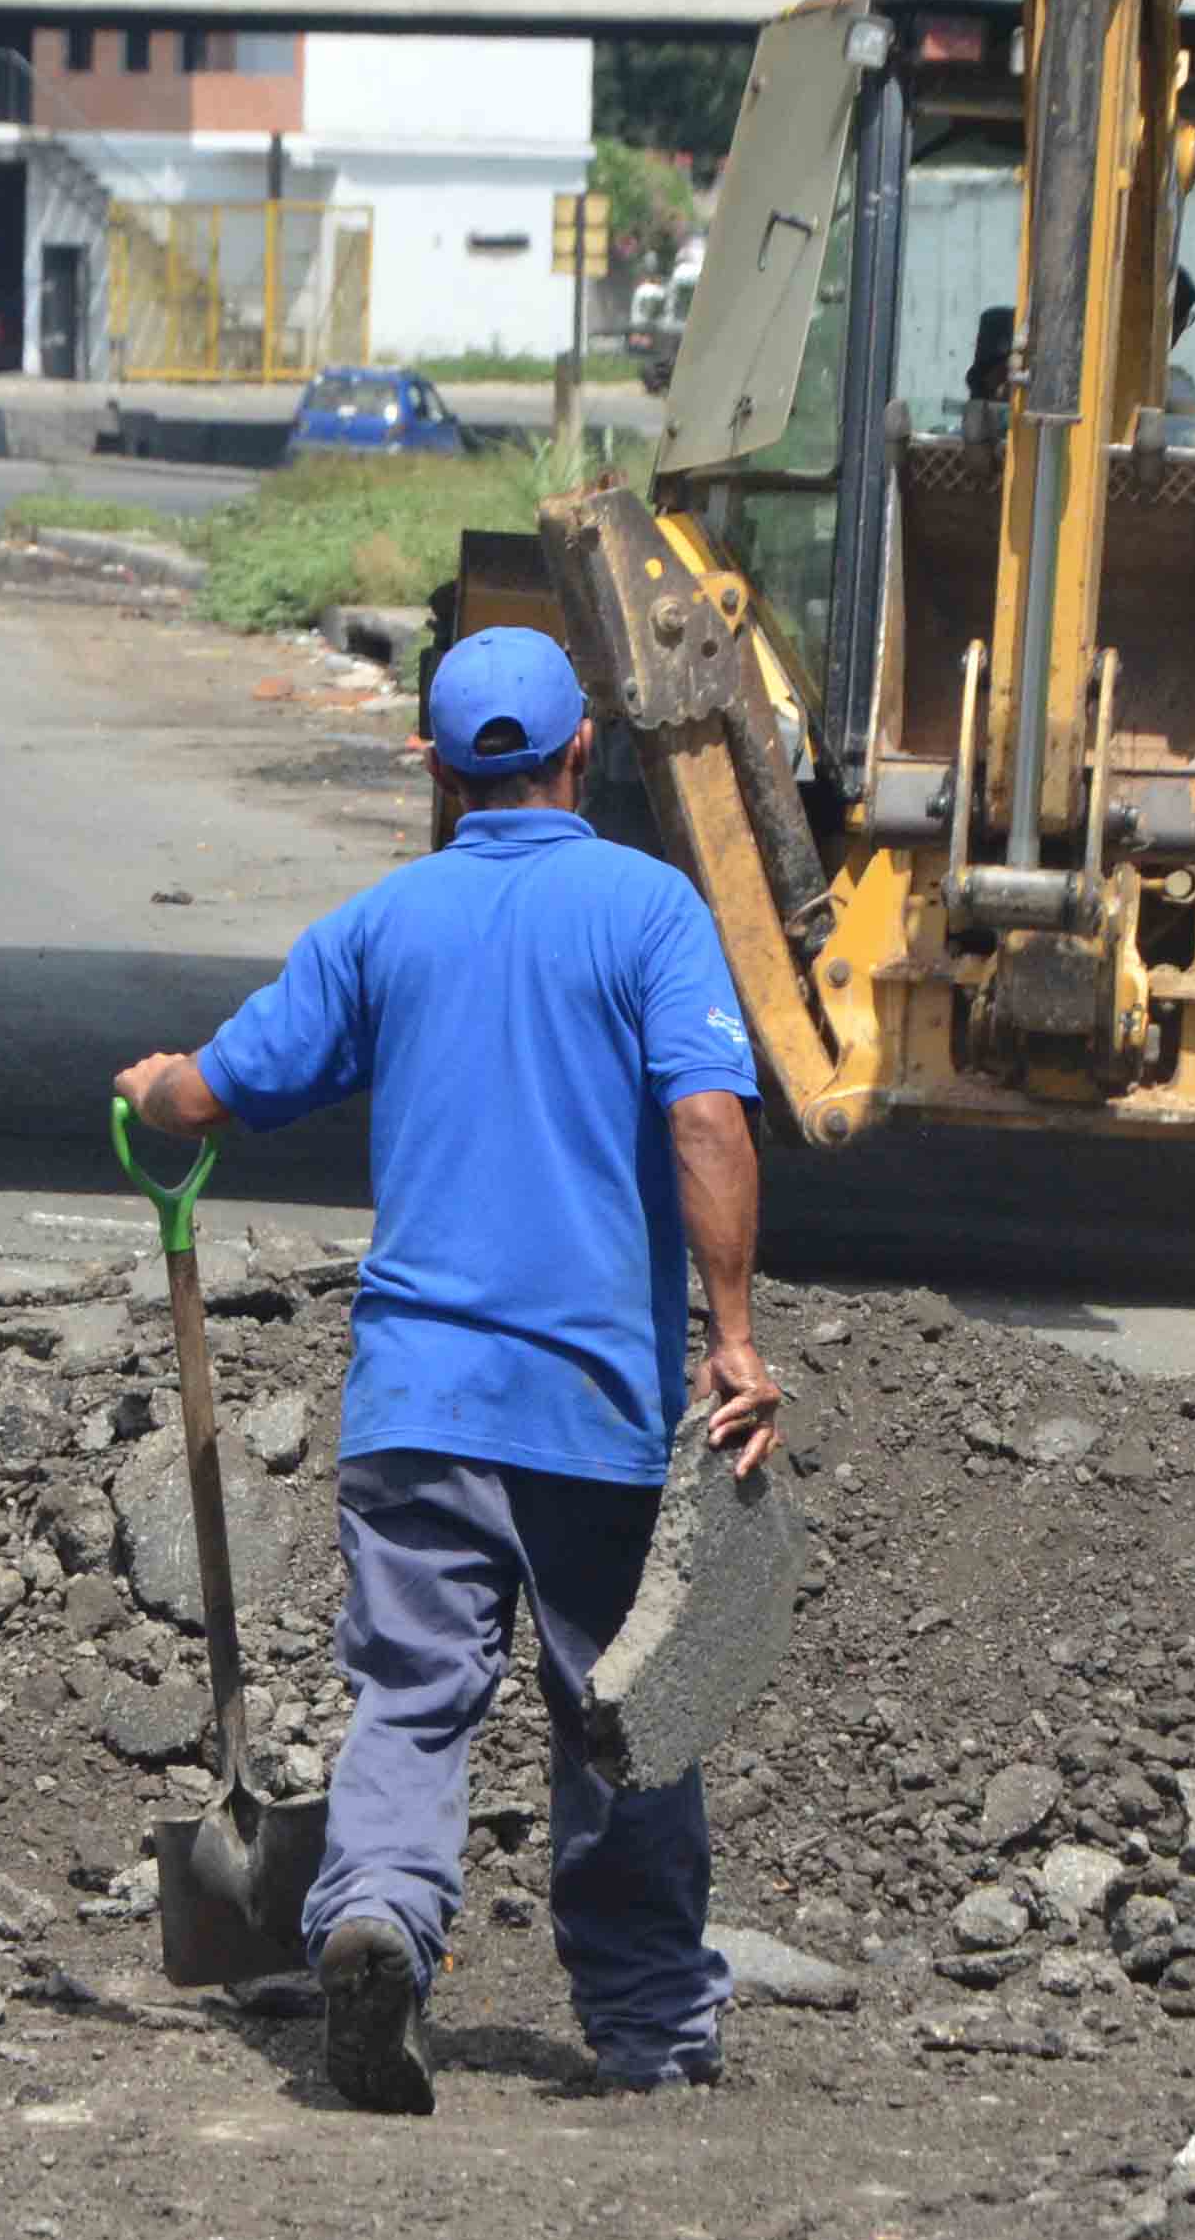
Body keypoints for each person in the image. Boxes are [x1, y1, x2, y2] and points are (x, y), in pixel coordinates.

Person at [111, 626, 784, 2114]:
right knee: (622, 1712)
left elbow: (228, 1086)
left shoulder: (385, 924)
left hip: (414, 1405)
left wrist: (156, 1089)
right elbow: (709, 1123)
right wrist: (731, 1337)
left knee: (413, 1697)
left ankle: (374, 1917)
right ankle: (652, 2025)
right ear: (582, 755)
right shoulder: (649, 911)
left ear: (435, 768)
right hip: (591, 1412)